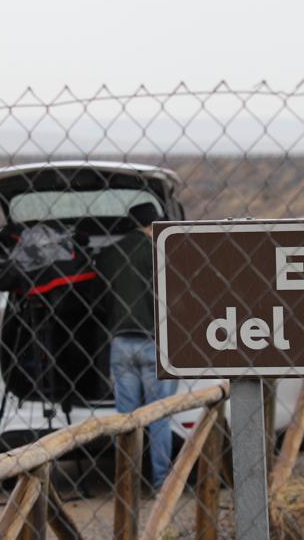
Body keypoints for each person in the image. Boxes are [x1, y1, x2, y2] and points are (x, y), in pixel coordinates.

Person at [97, 202, 172, 489]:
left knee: (126, 419)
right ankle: (161, 482)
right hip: (152, 341)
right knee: (159, 416)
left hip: (120, 342)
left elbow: (100, 296)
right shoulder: (160, 252)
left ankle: (127, 481)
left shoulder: (109, 254)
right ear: (153, 225)